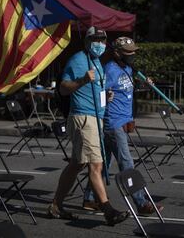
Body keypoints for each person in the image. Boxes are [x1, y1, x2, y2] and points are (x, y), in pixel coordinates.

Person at [48, 27, 129, 226]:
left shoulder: (96, 62)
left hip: (95, 117)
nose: (100, 43)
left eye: (103, 40)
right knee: (96, 164)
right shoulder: (78, 60)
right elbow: (63, 89)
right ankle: (108, 209)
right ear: (87, 41)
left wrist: (105, 98)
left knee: (78, 164)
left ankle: (56, 205)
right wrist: (83, 79)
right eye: (96, 39)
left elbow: (96, 88)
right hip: (84, 117)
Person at [83, 36, 164, 215]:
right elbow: (98, 91)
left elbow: (127, 90)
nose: (132, 55)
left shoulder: (127, 68)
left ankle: (88, 198)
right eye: (128, 52)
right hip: (113, 124)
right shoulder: (110, 70)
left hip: (122, 122)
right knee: (127, 163)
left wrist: (144, 85)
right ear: (117, 53)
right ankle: (141, 203)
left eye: (133, 52)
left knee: (102, 164)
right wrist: (106, 95)